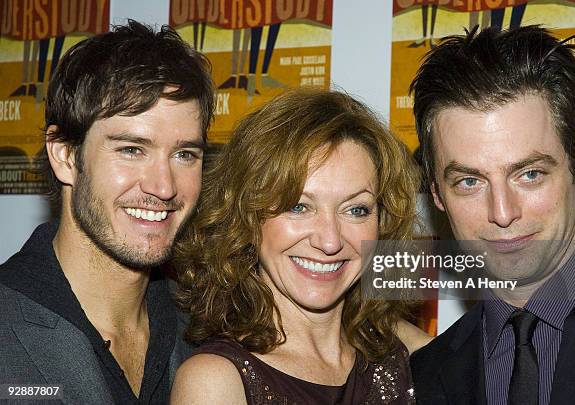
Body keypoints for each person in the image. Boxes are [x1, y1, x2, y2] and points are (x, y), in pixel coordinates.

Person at [169, 88, 432, 404]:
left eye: (356, 209)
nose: (330, 240)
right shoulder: (215, 382)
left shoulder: (414, 359)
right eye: (298, 206)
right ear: (247, 217)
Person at [0, 20, 214, 404]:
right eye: (131, 150)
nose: (163, 187)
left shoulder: (206, 328)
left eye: (185, 154)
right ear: (65, 155)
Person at [409, 26, 575, 404]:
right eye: (469, 182)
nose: (502, 213)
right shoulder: (422, 378)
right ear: (436, 192)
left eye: (529, 174)